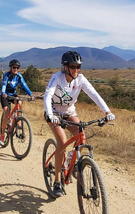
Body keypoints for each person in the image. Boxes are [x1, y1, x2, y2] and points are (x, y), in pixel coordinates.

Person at [43, 51, 115, 198]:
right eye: (73, 66)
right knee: (62, 142)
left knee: (81, 137)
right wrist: (50, 115)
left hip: (69, 113)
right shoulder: (57, 77)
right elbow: (48, 95)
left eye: (78, 67)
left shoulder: (80, 79)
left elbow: (94, 94)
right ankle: (57, 181)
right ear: (65, 67)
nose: (76, 70)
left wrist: (107, 112)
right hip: (54, 113)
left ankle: (71, 158)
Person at [0, 59, 35, 146]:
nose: (16, 69)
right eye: (14, 67)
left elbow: (24, 85)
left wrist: (31, 95)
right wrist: (3, 93)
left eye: (17, 68)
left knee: (19, 102)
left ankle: (18, 121)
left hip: (13, 95)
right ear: (10, 68)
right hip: (5, 96)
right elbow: (3, 85)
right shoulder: (6, 76)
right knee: (7, 112)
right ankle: (2, 135)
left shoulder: (19, 76)